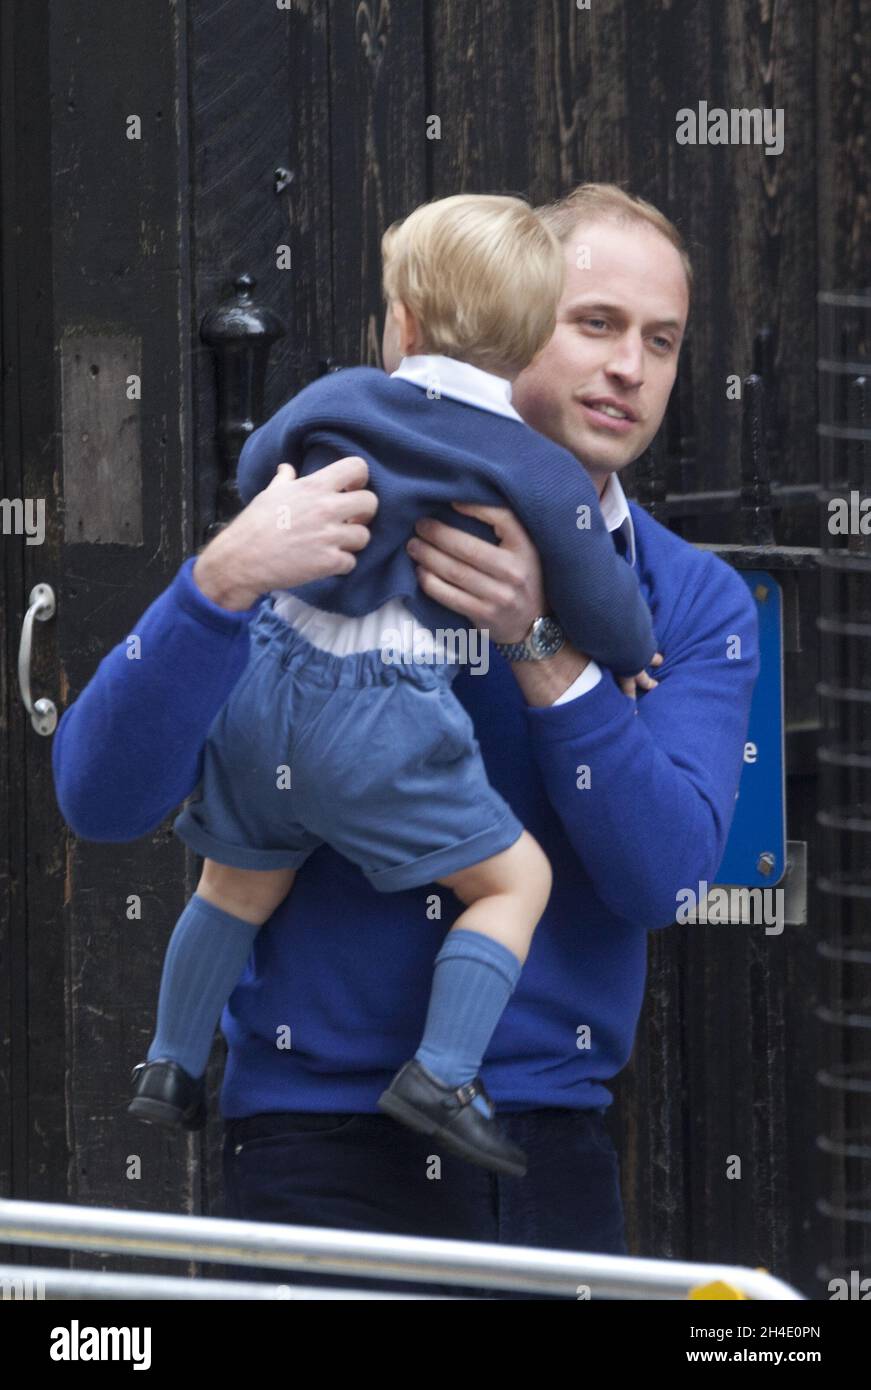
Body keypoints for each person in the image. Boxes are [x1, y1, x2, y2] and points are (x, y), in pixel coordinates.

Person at [51, 183, 758, 1300]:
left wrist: (540, 645)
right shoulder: (319, 528)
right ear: (518, 319)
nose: (628, 365)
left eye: (660, 340)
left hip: (550, 1158)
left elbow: (661, 875)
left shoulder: (693, 599)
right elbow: (97, 796)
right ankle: (175, 1061)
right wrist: (222, 576)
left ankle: (174, 1057)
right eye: (594, 323)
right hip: (315, 1153)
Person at [126, 194, 659, 1182]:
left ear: (402, 324)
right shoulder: (528, 465)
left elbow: (255, 470)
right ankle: (440, 1075)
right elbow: (598, 588)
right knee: (513, 880)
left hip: (267, 674)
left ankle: (166, 1061)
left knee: (236, 881)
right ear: (534, 339)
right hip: (375, 704)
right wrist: (624, 645)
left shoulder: (335, 398)